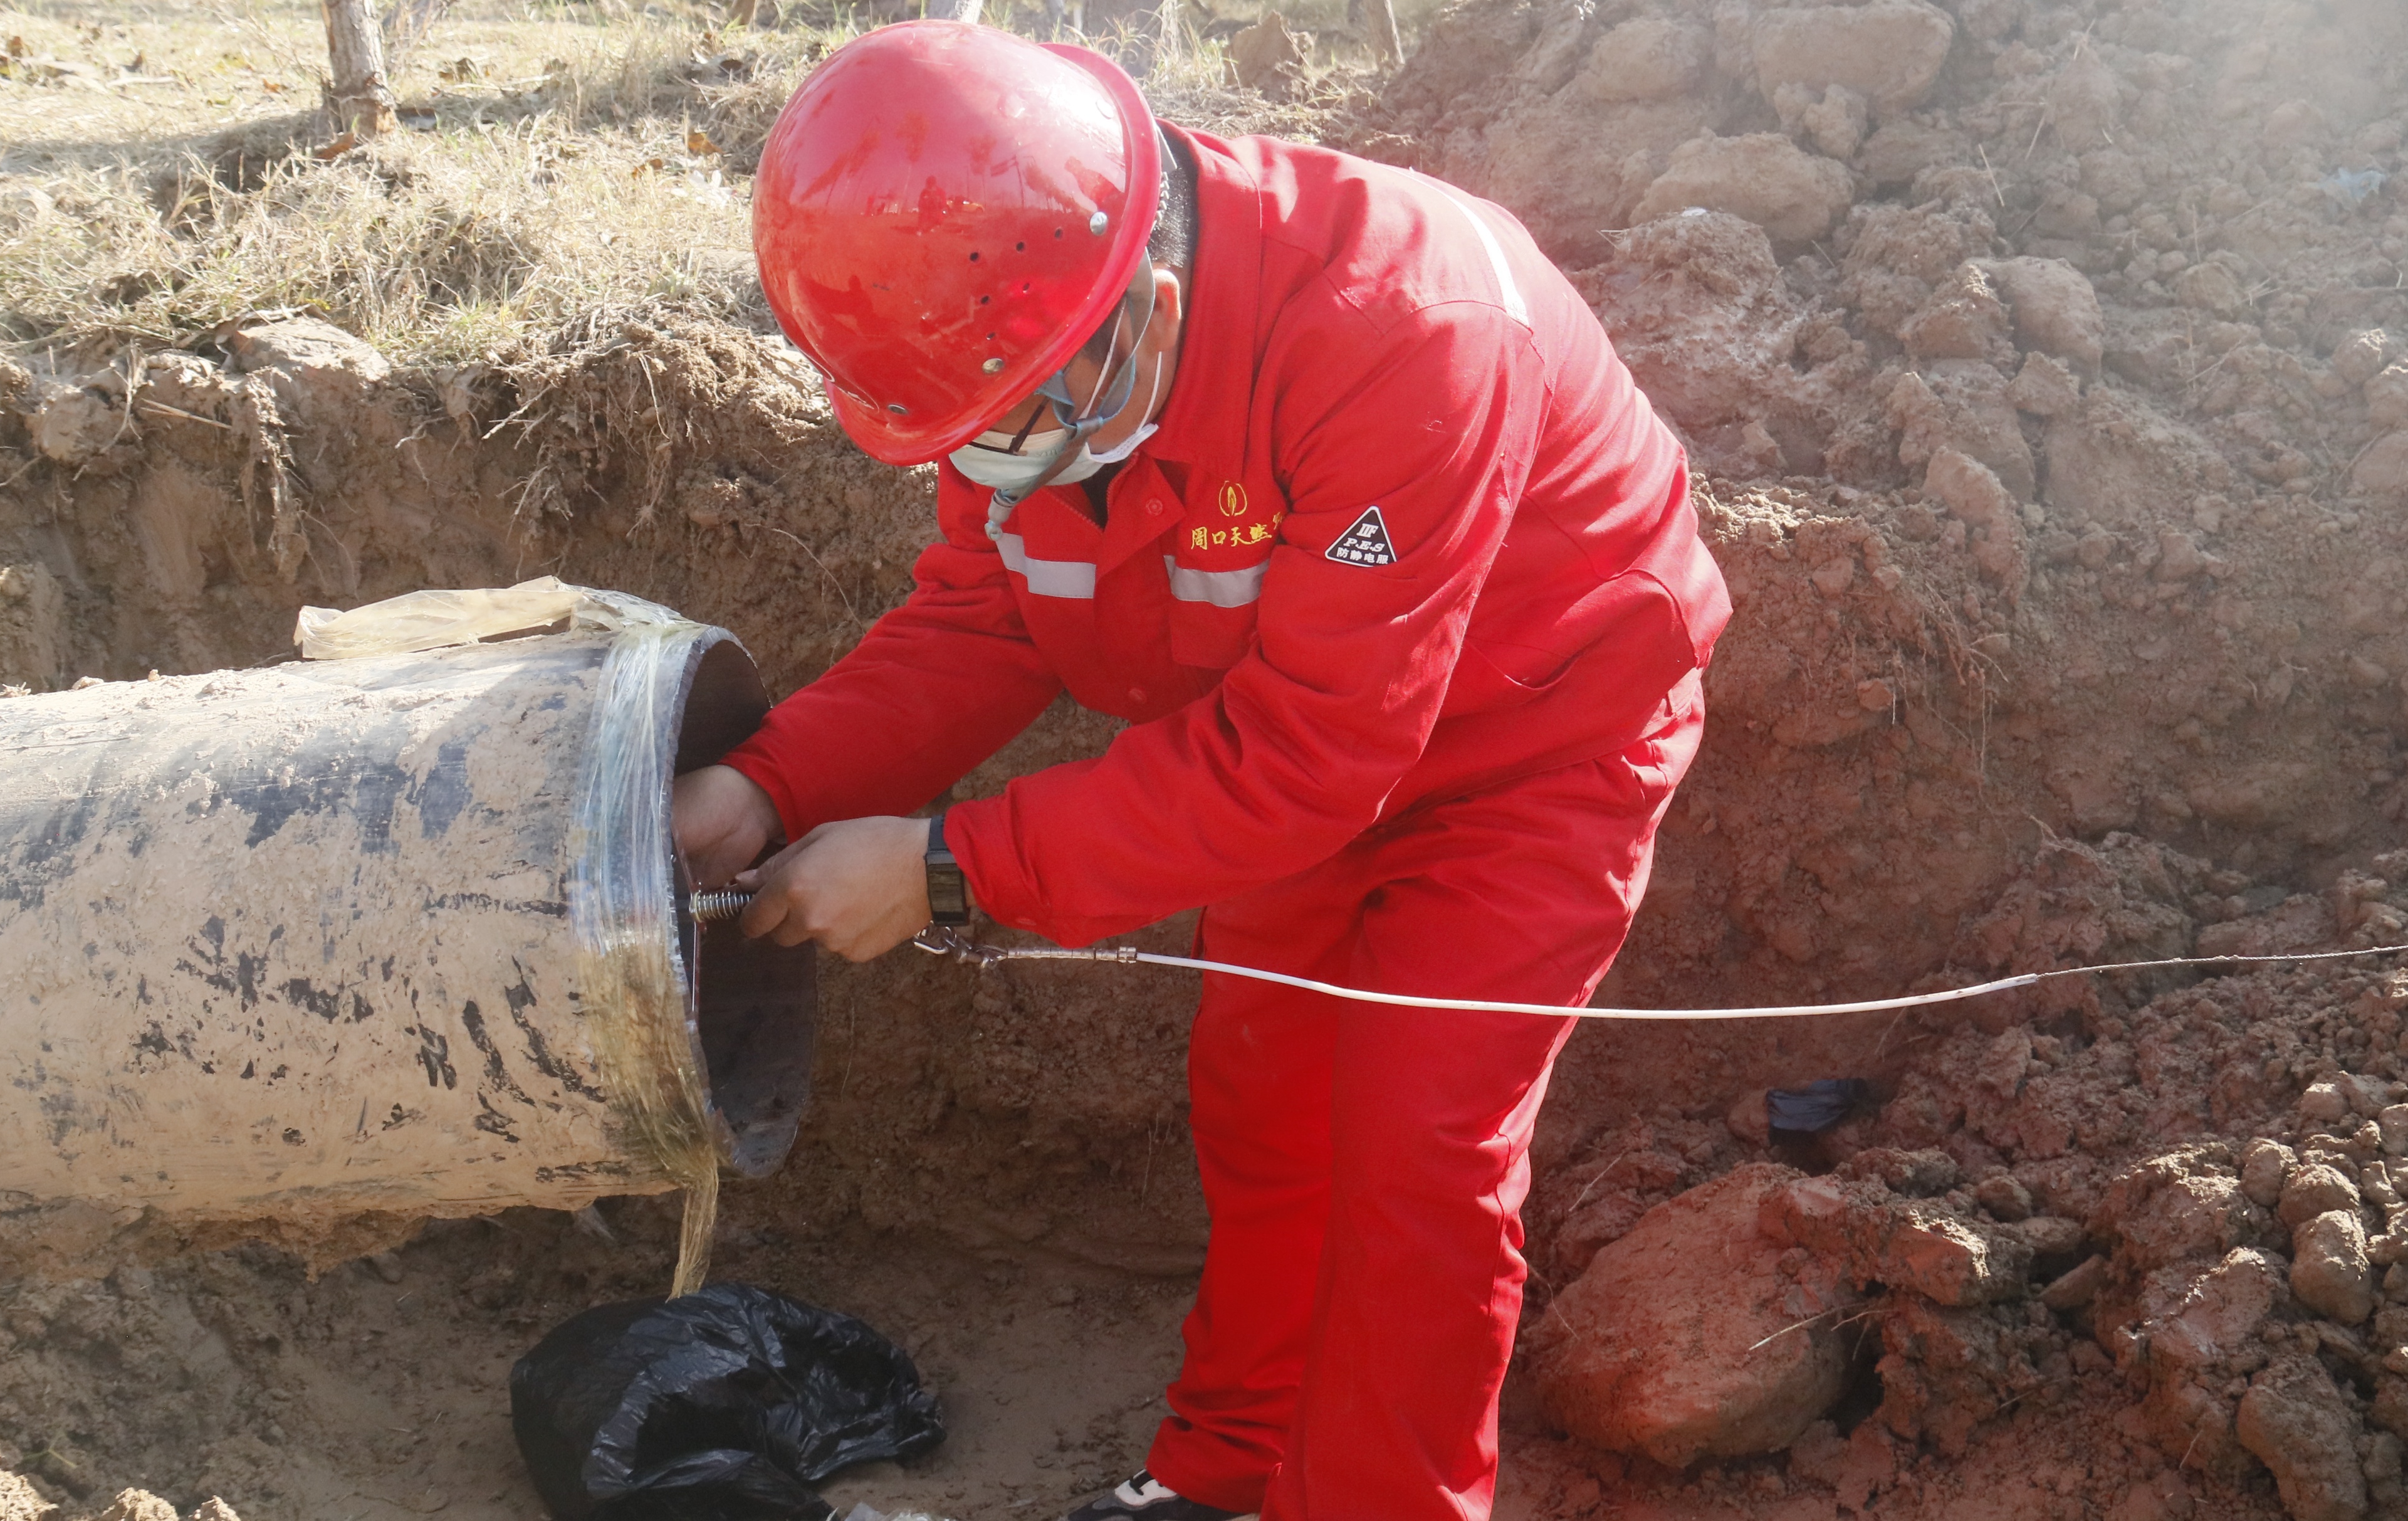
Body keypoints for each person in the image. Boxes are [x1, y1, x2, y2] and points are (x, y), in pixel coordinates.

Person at [671, 21, 1731, 1521]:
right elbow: (987, 619)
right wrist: (766, 790)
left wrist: (948, 868)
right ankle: (1224, 1476)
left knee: (1416, 1147)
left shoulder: (1403, 328)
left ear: (1147, 309)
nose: (995, 465)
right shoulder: (1024, 363)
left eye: (1015, 426)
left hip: (1533, 740)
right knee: (1266, 1105)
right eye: (966, 442)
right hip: (1280, 722)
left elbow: (1311, 757)